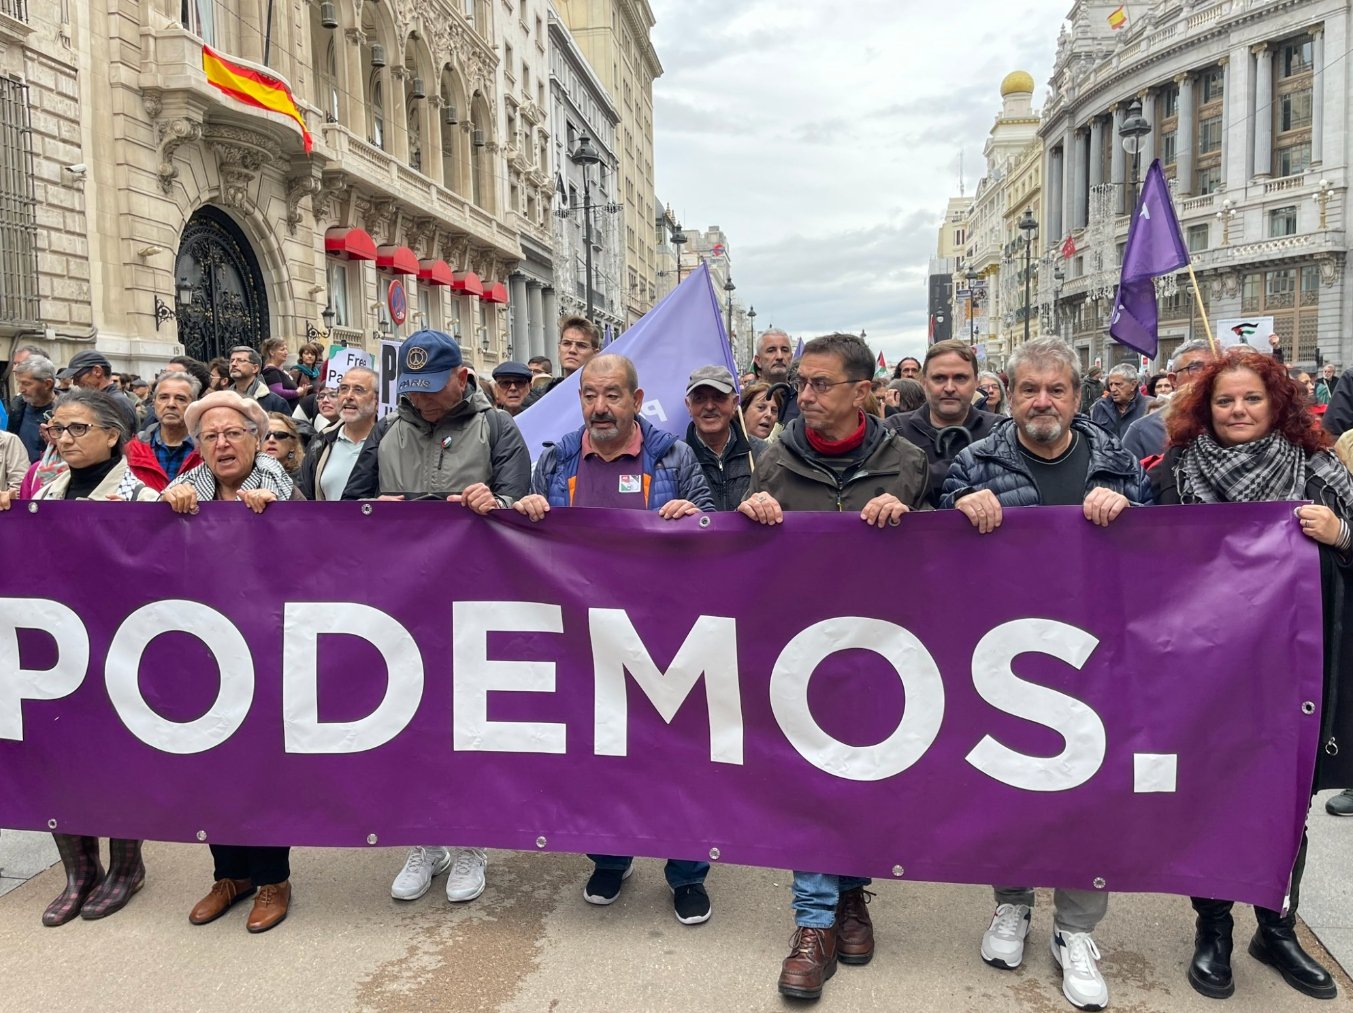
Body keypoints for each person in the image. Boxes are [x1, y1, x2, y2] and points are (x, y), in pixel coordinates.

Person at [940, 338, 1150, 1012]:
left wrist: (1128, 516)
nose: (1041, 402)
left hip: (1093, 659)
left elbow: (1157, 557)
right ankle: (1011, 904)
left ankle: (1075, 929)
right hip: (1002, 658)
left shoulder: (1115, 462)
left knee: (1089, 792)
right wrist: (960, 510)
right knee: (1010, 787)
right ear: (1007, 392)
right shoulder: (975, 460)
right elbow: (934, 554)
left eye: (1054, 390)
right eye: (1028, 388)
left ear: (1076, 396)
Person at [1148, 350, 1347, 1001]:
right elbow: (1150, 557)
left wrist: (1340, 532)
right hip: (1210, 666)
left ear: (1275, 404)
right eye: (1224, 401)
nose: (1236, 410)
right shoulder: (1181, 469)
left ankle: (1276, 925)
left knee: (1287, 796)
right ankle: (1212, 928)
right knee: (1212, 792)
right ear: (1207, 408)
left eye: (1250, 399)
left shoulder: (1315, 466)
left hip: (1298, 665)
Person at [736, 332, 929, 1002]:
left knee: (862, 780)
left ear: (862, 391)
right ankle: (814, 923)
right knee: (812, 780)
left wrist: (913, 519)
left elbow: (946, 559)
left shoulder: (907, 459)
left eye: (820, 385)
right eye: (801, 385)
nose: (804, 397)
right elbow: (742, 555)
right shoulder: (773, 460)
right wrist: (750, 514)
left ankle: (852, 896)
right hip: (800, 652)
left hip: (879, 650)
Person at [512, 353, 715, 923]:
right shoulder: (555, 461)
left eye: (612, 395)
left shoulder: (674, 456)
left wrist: (694, 515)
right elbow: (530, 543)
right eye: (589, 396)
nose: (600, 407)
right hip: (582, 638)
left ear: (635, 397)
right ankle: (608, 856)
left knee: (677, 755)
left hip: (665, 635)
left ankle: (687, 872)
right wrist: (526, 510)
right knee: (595, 753)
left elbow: (716, 531)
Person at [346, 331, 529, 903]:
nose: (422, 401)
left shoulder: (497, 427)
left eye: (432, 389)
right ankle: (425, 840)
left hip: (477, 604)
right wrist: (378, 511)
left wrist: (489, 505)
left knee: (470, 726)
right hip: (403, 604)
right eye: (413, 390)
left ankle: (472, 840)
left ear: (462, 378)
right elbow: (348, 509)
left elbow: (522, 508)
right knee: (413, 725)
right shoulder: (388, 429)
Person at [0, 389, 157, 925]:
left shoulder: (142, 496)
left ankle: (125, 868)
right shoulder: (42, 491)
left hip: (118, 650)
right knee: (57, 757)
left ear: (113, 435)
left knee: (117, 758)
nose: (62, 439)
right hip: (54, 652)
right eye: (55, 427)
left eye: (77, 429)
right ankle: (78, 871)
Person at [159, 390, 298, 932]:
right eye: (210, 436)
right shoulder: (185, 490)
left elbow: (316, 550)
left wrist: (275, 516)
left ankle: (272, 878)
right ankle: (230, 873)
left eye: (233, 433)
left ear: (255, 440)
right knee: (210, 760)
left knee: (261, 764)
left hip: (265, 645)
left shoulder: (278, 485)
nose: (222, 444)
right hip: (204, 647)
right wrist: (165, 512)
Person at [884, 339, 999, 507]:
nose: (950, 387)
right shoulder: (893, 430)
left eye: (960, 378)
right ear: (924, 383)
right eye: (939, 378)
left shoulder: (1000, 431)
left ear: (975, 382)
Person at [683, 365, 764, 510]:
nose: (709, 406)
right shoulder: (674, 459)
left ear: (734, 403)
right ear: (689, 406)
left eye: (719, 397)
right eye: (700, 398)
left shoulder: (762, 454)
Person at [1122, 340, 1213, 461]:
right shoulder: (1142, 432)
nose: (1207, 375)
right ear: (1173, 380)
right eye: (1195, 368)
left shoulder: (1236, 424)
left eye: (1214, 368)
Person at [298, 367, 379, 501]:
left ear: (377, 401)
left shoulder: (390, 442)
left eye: (358, 390)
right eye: (343, 389)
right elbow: (303, 498)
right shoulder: (320, 442)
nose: (348, 396)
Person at [125, 371, 204, 490]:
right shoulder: (131, 450)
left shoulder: (209, 449)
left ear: (193, 405)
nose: (171, 404)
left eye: (180, 399)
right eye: (163, 397)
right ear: (154, 403)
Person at [523, 316, 600, 406]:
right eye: (566, 344)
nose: (572, 350)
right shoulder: (539, 396)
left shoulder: (605, 396)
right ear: (559, 349)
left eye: (581, 345)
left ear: (595, 354)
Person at [56, 350, 137, 433]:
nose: (75, 383)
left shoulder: (117, 402)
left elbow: (124, 442)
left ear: (97, 371)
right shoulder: (102, 400)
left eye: (77, 376)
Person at [7, 354, 58, 462]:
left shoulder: (65, 410)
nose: (21, 389)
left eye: (26, 384)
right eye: (19, 383)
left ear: (48, 384)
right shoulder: (17, 407)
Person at [226, 345, 291, 415]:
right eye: (232, 361)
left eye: (240, 360)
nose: (233, 364)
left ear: (255, 368)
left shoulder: (276, 402)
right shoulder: (223, 399)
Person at [260, 337, 300, 403]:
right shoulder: (271, 372)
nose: (286, 352)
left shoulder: (280, 370)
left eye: (286, 349)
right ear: (272, 352)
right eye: (282, 349)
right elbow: (278, 393)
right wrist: (297, 392)